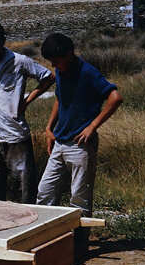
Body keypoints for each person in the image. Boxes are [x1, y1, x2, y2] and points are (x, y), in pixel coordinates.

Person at [36, 32, 123, 217]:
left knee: (79, 199)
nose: (53, 65)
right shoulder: (61, 70)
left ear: (69, 54)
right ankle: (49, 239)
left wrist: (92, 127)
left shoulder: (88, 72)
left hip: (80, 145)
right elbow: (60, 99)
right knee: (45, 193)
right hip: (60, 141)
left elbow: (115, 98)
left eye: (56, 60)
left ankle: (79, 243)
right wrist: (49, 128)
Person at [0, 20, 54, 204]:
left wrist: (26, 101)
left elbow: (48, 77)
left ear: (3, 41)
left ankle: (27, 225)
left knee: (23, 184)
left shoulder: (19, 61)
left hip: (14, 130)